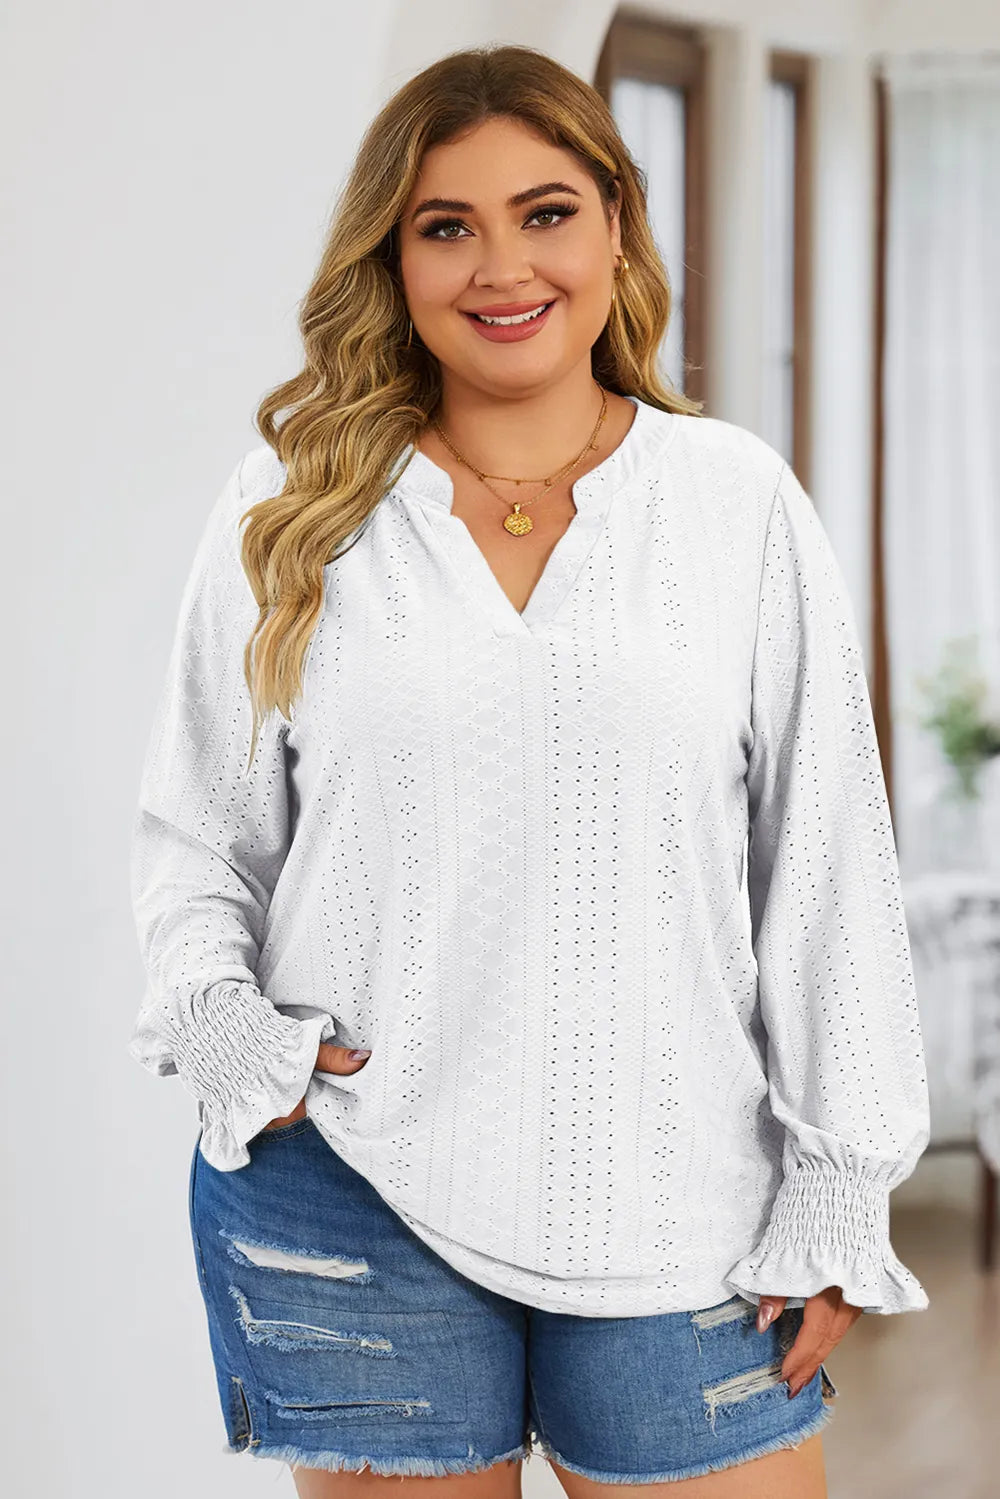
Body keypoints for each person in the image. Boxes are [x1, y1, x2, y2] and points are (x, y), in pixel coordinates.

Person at [128, 42, 930, 1499]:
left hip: (690, 1204)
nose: (503, 267)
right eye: (449, 226)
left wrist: (839, 1181)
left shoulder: (735, 507)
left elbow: (826, 870)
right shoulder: (293, 510)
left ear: (617, 226)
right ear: (396, 259)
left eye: (546, 212)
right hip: (352, 1193)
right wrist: (229, 1029)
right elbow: (200, 835)